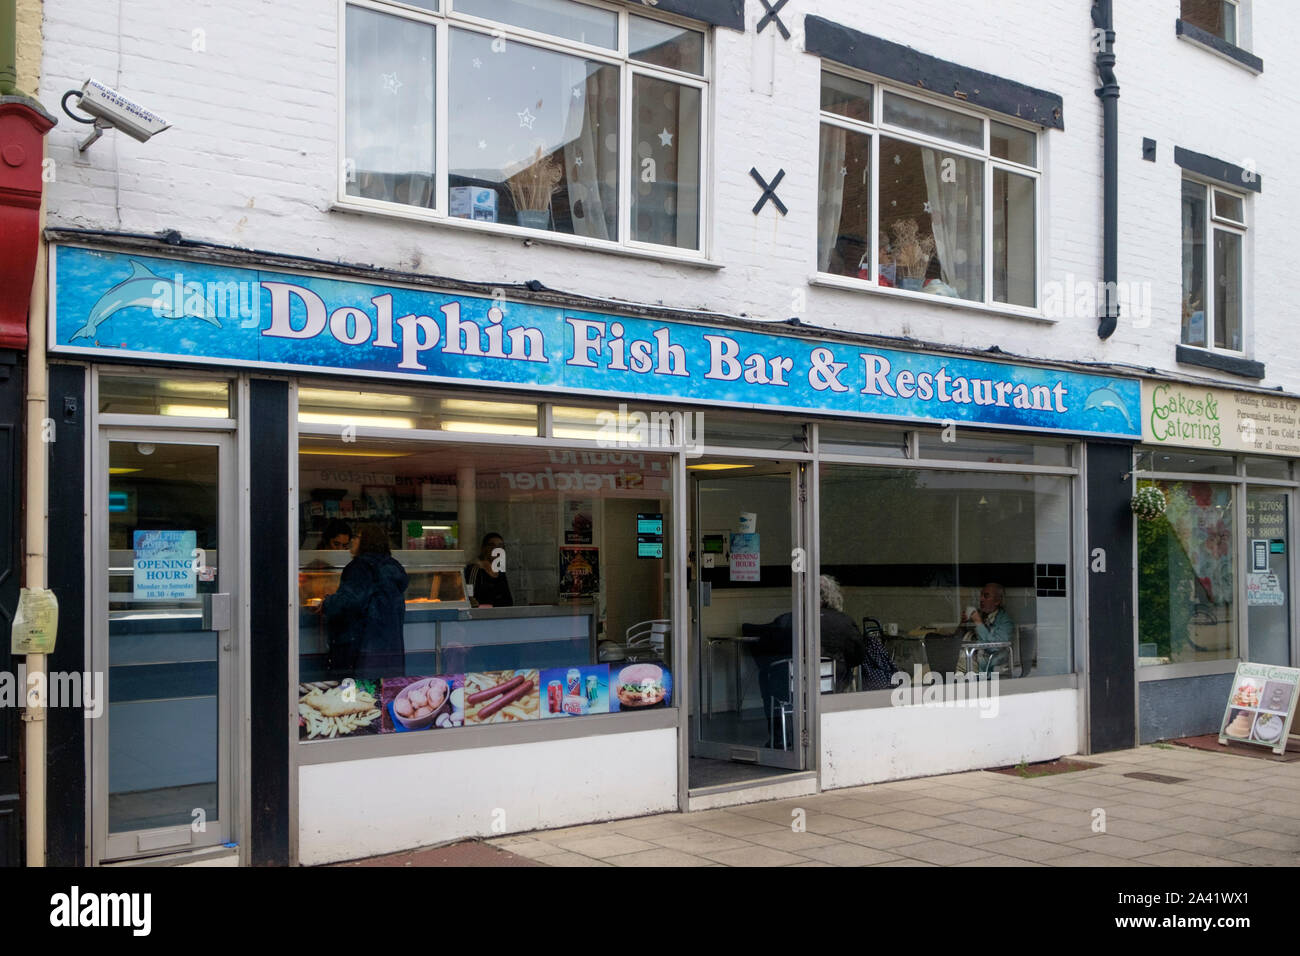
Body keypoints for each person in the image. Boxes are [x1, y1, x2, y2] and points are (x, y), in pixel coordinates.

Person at [319, 524, 409, 680]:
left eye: (356, 537)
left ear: (366, 541)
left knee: (357, 696)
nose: (352, 541)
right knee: (381, 690)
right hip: (389, 649)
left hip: (362, 648)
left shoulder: (361, 567)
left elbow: (349, 601)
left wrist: (327, 603)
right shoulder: (392, 567)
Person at [958, 582, 1015, 674]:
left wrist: (978, 622)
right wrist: (963, 624)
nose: (981, 599)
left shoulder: (1005, 622)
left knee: (937, 669)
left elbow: (993, 647)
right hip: (964, 658)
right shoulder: (980, 614)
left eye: (986, 596)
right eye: (981, 595)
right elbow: (958, 638)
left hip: (983, 666)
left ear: (997, 601)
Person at [464, 532, 513, 608]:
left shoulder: (500, 571)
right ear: (484, 548)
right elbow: (470, 598)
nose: (496, 549)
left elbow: (507, 598)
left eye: (500, 546)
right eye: (492, 545)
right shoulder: (475, 569)